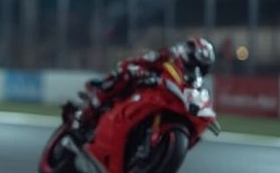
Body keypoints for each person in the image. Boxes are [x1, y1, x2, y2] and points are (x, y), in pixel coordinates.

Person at [75, 36, 216, 135]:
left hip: (161, 97)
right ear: (188, 54)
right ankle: (87, 112)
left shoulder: (194, 81)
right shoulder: (170, 56)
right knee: (125, 75)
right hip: (144, 81)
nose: (197, 67)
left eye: (202, 66)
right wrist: (140, 71)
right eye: (196, 62)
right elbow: (144, 60)